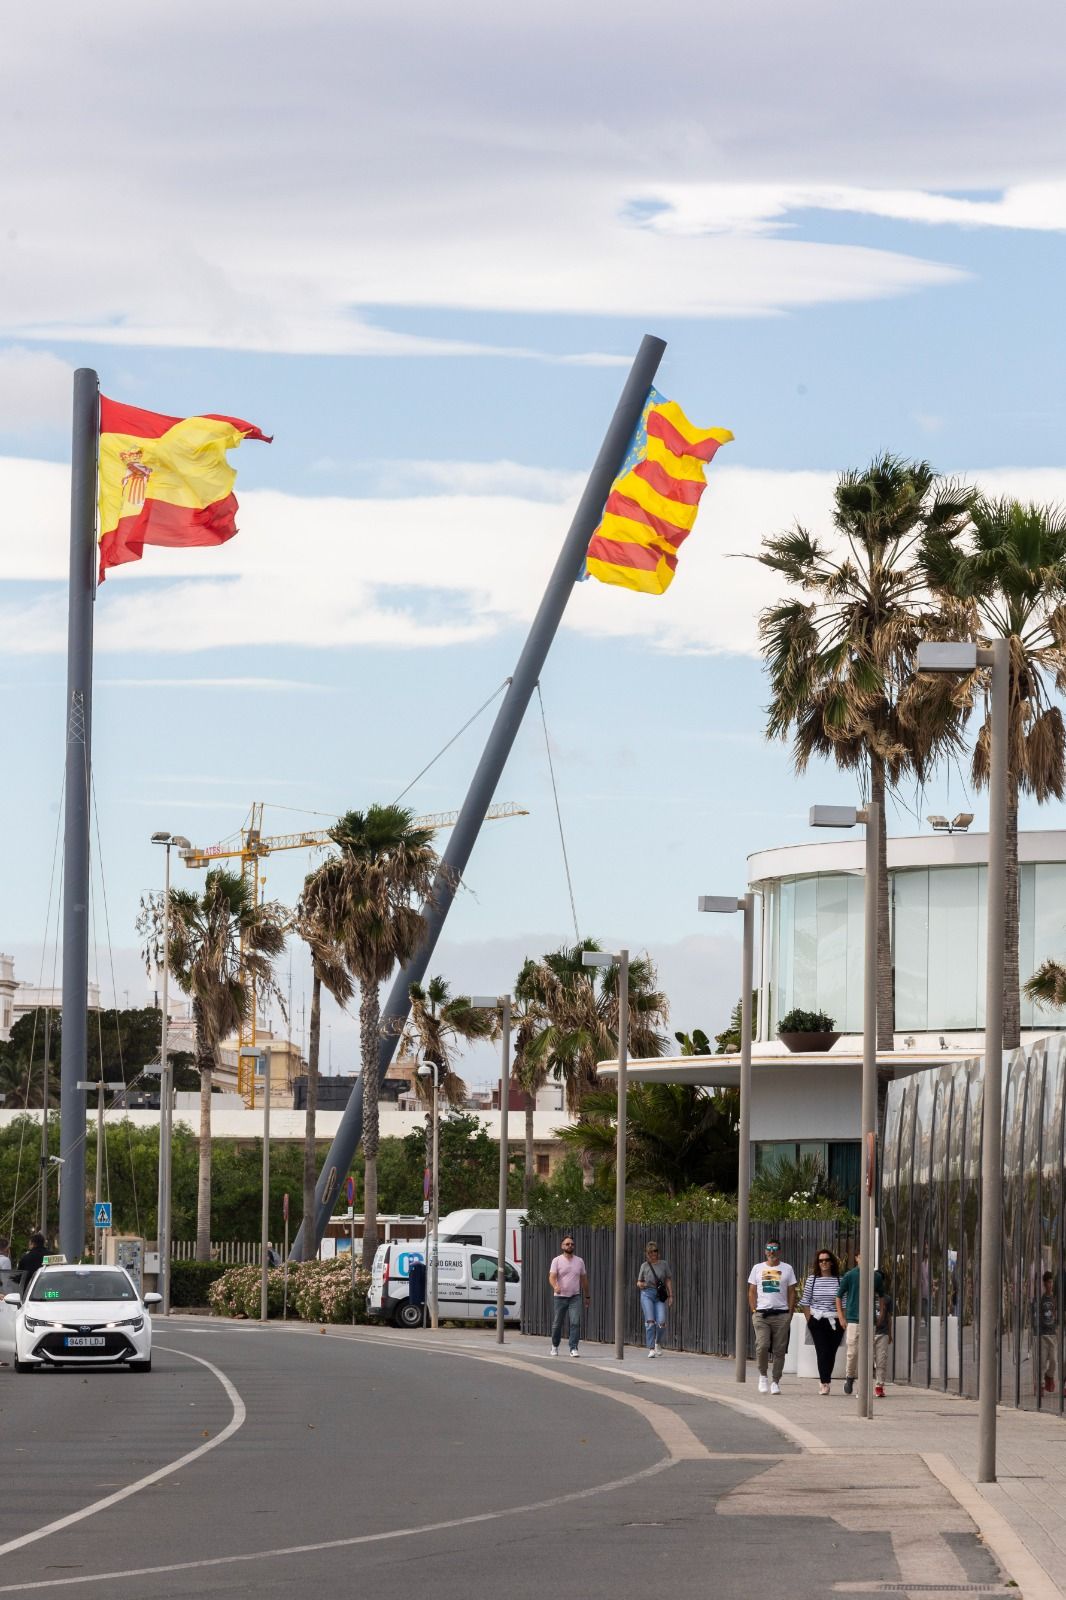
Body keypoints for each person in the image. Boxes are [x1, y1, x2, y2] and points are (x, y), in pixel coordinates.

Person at [747, 1238, 796, 1394]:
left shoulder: (787, 1268)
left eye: (775, 1249)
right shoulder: (757, 1268)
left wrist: (790, 1313)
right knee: (762, 1345)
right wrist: (754, 1310)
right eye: (769, 1248)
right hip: (762, 1314)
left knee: (779, 1350)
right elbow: (752, 1291)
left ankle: (775, 1381)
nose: (771, 1251)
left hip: (781, 1314)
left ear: (779, 1251)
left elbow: (791, 1292)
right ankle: (763, 1375)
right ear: (765, 1251)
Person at [835, 1248, 884, 1395]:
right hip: (853, 1320)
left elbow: (881, 1295)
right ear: (857, 1258)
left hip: (870, 1321)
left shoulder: (876, 1277)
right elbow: (838, 1296)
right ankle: (849, 1377)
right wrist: (841, 1317)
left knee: (868, 1354)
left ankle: (862, 1387)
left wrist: (880, 1313)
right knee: (853, 1352)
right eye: (862, 1256)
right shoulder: (850, 1275)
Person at [799, 1248, 844, 1394]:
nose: (823, 1263)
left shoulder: (840, 1280)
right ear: (817, 1263)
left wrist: (844, 1320)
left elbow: (844, 1302)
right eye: (820, 1260)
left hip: (835, 1320)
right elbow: (805, 1301)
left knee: (831, 1352)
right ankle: (825, 1382)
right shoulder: (812, 1280)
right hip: (817, 1320)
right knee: (822, 1351)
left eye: (826, 1260)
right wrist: (809, 1320)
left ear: (831, 1262)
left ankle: (826, 1378)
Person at [548, 1236, 590, 1358]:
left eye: (572, 1244)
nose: (570, 1246)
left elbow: (584, 1279)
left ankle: (573, 1347)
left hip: (575, 1297)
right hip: (560, 1296)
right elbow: (551, 1276)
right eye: (567, 1244)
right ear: (562, 1246)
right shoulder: (557, 1260)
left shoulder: (579, 1261)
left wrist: (587, 1296)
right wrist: (555, 1286)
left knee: (575, 1322)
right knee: (557, 1323)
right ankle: (554, 1345)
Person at [636, 1242, 673, 1358]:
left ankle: (657, 1343)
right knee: (650, 1322)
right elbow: (638, 1282)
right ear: (647, 1254)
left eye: (654, 1253)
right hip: (647, 1294)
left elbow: (668, 1280)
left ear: (658, 1253)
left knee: (661, 1322)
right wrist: (642, 1284)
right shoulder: (644, 1266)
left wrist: (671, 1295)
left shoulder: (663, 1264)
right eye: (650, 1253)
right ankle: (651, 1348)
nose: (653, 1255)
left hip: (659, 1295)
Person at [1037, 1271, 1057, 1395]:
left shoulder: (1055, 1298)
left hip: (1053, 1334)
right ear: (1044, 1284)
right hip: (1043, 1334)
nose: (1050, 1285)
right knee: (1042, 1362)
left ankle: (1049, 1376)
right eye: (1048, 1282)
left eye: (1051, 1282)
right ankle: (1041, 1385)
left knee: (1054, 1360)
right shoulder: (1042, 1299)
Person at [874, 1277, 893, 1399]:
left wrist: (890, 1334)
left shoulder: (887, 1299)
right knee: (866, 1360)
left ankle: (879, 1386)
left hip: (883, 1333)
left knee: (881, 1360)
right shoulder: (865, 1295)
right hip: (868, 1332)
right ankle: (863, 1387)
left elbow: (889, 1317)